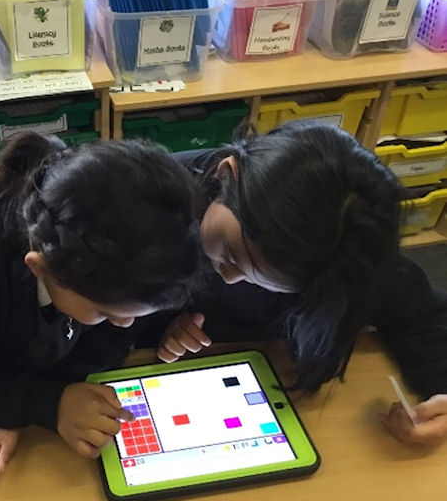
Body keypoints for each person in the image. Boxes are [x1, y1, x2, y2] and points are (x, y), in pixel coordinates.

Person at [0, 132, 203, 473]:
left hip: (42, 352)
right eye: (106, 313)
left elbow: (114, 335)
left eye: (133, 315)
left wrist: (52, 396)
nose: (126, 326)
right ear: (40, 267)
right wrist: (50, 404)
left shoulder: (120, 269)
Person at [154, 119, 447, 447]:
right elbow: (103, 323)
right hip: (181, 390)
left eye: (274, 281)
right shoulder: (150, 206)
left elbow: (424, 321)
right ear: (225, 175)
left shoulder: (344, 247)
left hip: (267, 389)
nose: (229, 276)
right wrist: (160, 319)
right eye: (231, 254)